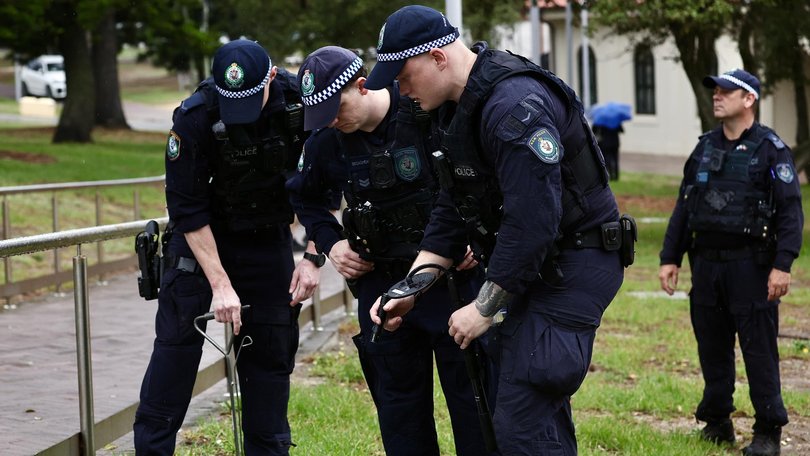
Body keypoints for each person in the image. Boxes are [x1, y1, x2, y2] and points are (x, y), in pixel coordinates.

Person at [365, 5, 628, 454]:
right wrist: (413, 286)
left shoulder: (511, 108)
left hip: (574, 262)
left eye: (404, 74)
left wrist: (482, 308)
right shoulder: (457, 108)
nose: (399, 88)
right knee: (524, 409)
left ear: (439, 58)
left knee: (521, 421)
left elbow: (533, 221)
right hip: (535, 265)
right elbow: (452, 207)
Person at [286, 45, 495, 456]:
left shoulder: (426, 109)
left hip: (453, 283)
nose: (330, 118)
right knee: (400, 419)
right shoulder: (327, 140)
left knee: (477, 411)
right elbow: (305, 199)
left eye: (336, 106)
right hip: (381, 285)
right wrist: (332, 244)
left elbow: (480, 180)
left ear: (362, 87)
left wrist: (472, 236)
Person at [134, 39, 321, 455]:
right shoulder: (194, 117)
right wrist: (219, 284)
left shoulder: (299, 105)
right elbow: (186, 208)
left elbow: (321, 184)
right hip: (200, 239)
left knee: (270, 360)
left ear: (271, 76)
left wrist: (312, 256)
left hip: (265, 237)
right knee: (174, 358)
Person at [658, 69, 803, 456]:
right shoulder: (704, 148)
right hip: (706, 267)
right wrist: (669, 257)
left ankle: (768, 431)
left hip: (751, 269)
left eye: (726, 91)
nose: (717, 96)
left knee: (758, 351)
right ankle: (717, 422)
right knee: (712, 348)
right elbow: (684, 206)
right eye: (716, 90)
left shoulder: (771, 150)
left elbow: (790, 211)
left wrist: (783, 264)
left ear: (749, 99)